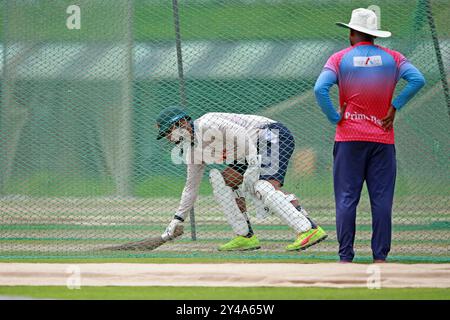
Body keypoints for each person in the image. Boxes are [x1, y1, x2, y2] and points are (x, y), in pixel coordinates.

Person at [314, 8, 425, 263]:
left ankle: (345, 257)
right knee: (382, 201)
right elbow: (417, 79)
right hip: (383, 141)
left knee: (346, 199)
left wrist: (335, 117)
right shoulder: (394, 58)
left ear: (352, 33)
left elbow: (320, 89)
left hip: (348, 139)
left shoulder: (339, 58)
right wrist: (395, 105)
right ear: (374, 35)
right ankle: (380, 258)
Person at [156, 106, 328, 251]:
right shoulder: (193, 152)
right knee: (225, 181)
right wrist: (178, 219)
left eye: (168, 133)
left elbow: (240, 133)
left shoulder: (208, 123)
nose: (169, 139)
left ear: (181, 123)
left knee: (263, 186)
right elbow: (190, 188)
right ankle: (245, 236)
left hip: (270, 134)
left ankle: (307, 229)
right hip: (248, 151)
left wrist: (253, 166)